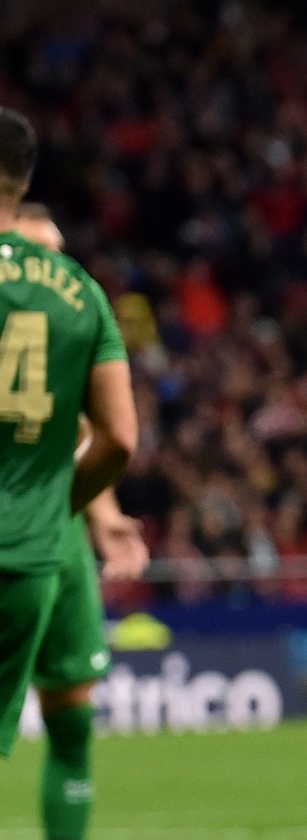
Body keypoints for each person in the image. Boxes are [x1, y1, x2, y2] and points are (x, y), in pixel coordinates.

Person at [0, 108, 139, 840]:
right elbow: (114, 434)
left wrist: (100, 513)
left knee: (72, 717)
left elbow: (91, 434)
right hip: (39, 534)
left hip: (55, 531)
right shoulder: (79, 297)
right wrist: (72, 504)